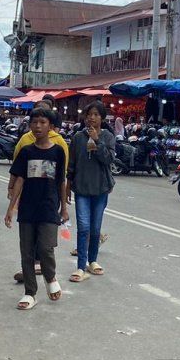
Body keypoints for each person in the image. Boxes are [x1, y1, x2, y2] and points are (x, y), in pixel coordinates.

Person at [5, 108, 68, 309]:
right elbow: (20, 179)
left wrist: (64, 208)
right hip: (27, 208)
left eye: (42, 122)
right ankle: (30, 292)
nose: (38, 126)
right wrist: (10, 207)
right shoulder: (26, 151)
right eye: (34, 122)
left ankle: (50, 277)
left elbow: (61, 181)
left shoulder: (58, 151)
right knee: (27, 252)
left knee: (45, 247)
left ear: (51, 126)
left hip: (49, 206)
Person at [68, 101, 115, 282]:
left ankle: (92, 260)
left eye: (96, 115)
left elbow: (109, 159)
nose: (92, 118)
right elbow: (71, 165)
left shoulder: (108, 137)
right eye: (89, 115)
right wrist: (67, 187)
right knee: (83, 227)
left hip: (101, 188)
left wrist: (96, 141)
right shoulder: (78, 137)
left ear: (102, 118)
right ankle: (80, 266)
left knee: (95, 228)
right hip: (81, 189)